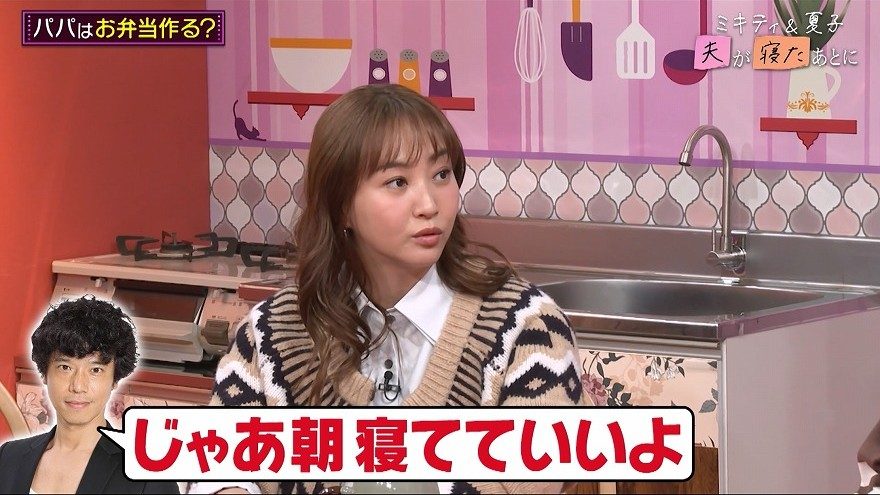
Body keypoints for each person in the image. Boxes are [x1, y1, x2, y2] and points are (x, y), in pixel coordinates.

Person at [198, 84, 587, 494]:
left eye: (441, 175)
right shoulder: (272, 330)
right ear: (341, 206)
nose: (429, 204)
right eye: (398, 182)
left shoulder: (529, 326)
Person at [0, 296, 180, 494]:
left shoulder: (147, 476)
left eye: (95, 370)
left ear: (114, 379)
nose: (78, 386)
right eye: (65, 367)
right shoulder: (9, 457)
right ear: (45, 374)